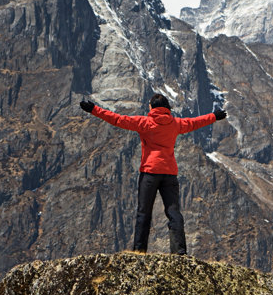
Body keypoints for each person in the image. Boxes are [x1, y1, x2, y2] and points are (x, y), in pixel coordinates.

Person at [80, 92, 227, 255]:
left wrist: (94, 109)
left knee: (144, 212)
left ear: (151, 107)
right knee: (173, 212)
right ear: (167, 108)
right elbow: (195, 122)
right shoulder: (175, 124)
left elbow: (117, 119)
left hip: (149, 173)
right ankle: (179, 251)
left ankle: (139, 251)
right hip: (169, 173)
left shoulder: (144, 123)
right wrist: (214, 116)